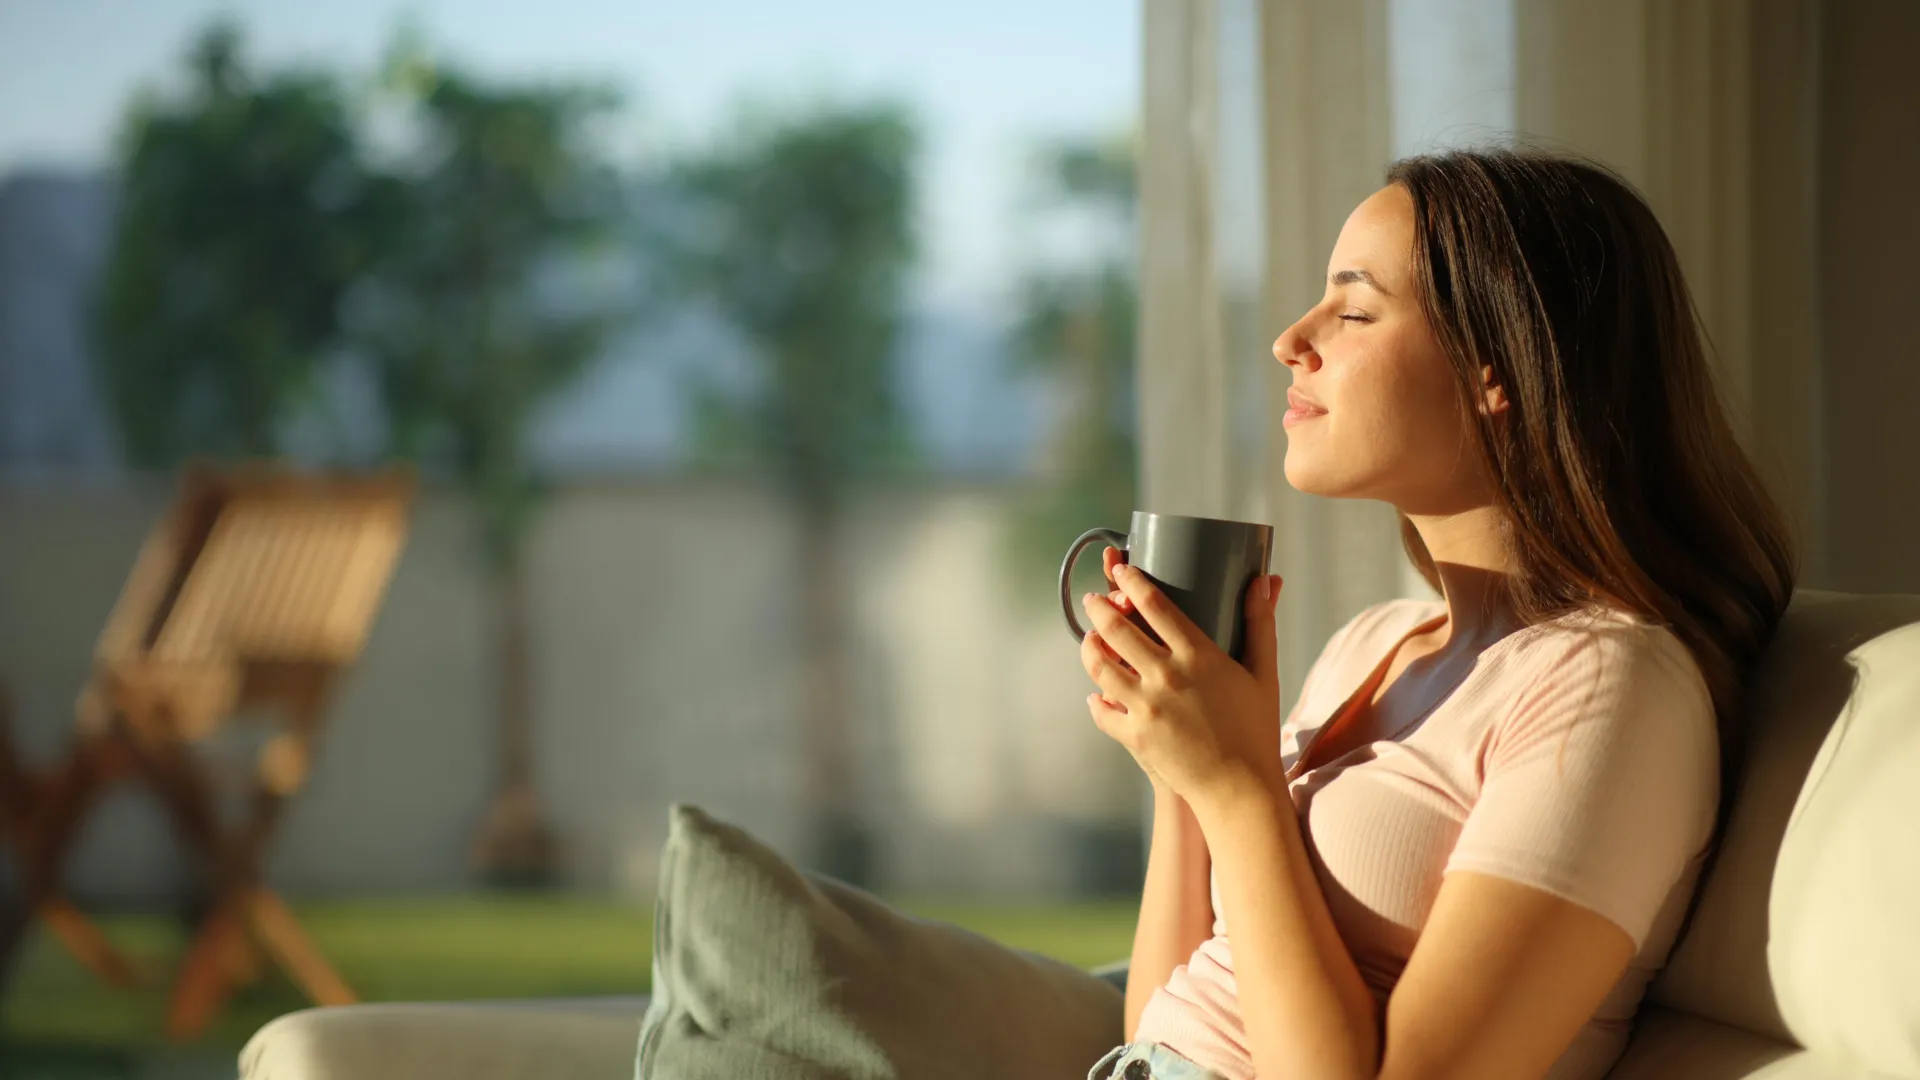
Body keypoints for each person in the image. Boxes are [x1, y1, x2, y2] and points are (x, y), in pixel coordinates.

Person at [1075, 148, 1797, 1080]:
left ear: (1498, 371)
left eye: (1355, 307)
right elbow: (1169, 1028)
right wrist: (1179, 760)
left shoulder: (1611, 684)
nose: (1292, 339)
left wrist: (1237, 787)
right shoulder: (1371, 645)